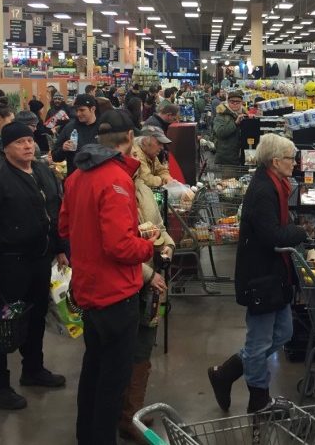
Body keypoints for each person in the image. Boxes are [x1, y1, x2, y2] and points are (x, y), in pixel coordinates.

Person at [59, 110, 165, 445]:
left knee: (92, 370)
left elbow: (64, 227)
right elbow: (120, 246)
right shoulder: (115, 179)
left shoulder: (77, 176)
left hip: (88, 290)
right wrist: (147, 246)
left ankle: (86, 437)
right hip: (116, 293)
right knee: (112, 382)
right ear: (130, 138)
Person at [0, 121, 68, 410]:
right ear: (6, 148)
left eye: (30, 140)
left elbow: (55, 213)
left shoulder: (43, 172)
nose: (27, 146)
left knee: (35, 319)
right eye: (20, 142)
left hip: (39, 262)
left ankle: (33, 370)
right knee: (2, 324)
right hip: (9, 267)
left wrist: (60, 248)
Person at [207, 133, 306, 414]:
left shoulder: (277, 184)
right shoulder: (264, 190)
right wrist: (300, 231)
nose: (294, 162)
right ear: (276, 161)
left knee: (284, 333)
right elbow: (272, 235)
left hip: (275, 275)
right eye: (290, 158)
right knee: (259, 341)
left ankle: (225, 373)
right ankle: (259, 398)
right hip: (261, 278)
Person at [118, 165, 175, 442]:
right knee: (128, 350)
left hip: (148, 283)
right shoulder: (114, 191)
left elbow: (159, 228)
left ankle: (131, 412)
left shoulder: (142, 188)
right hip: (128, 282)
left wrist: (168, 246)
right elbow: (117, 245)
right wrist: (147, 274)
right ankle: (126, 417)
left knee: (143, 348)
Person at [52, 94, 99, 176]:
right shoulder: (70, 128)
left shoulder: (102, 127)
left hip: (98, 178)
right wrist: (63, 149)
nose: (78, 114)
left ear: (93, 109)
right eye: (77, 110)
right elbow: (55, 156)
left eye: (82, 110)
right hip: (75, 179)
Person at [213, 89, 246, 166]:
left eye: (237, 102)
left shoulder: (245, 114)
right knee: (229, 178)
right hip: (227, 159)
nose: (235, 104)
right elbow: (220, 132)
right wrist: (235, 123)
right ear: (228, 102)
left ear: (241, 103)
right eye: (232, 101)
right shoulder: (221, 115)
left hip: (243, 158)